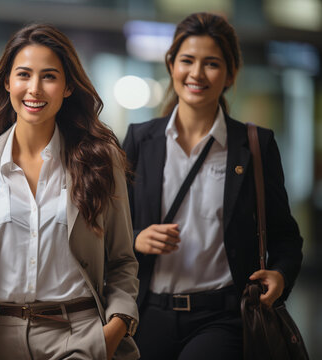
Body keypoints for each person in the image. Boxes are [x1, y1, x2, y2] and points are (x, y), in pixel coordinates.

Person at [0, 23, 140, 360]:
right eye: (24, 75)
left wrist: (116, 327)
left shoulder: (103, 160)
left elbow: (122, 261)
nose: (34, 89)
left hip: (78, 335)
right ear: (6, 82)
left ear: (68, 86)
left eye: (49, 76)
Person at [122, 12, 304, 360]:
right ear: (171, 64)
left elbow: (286, 237)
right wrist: (136, 238)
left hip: (222, 316)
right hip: (147, 312)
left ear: (230, 74)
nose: (196, 73)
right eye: (187, 60)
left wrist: (280, 275)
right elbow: (103, 229)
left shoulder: (254, 146)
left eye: (211, 64)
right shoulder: (139, 140)